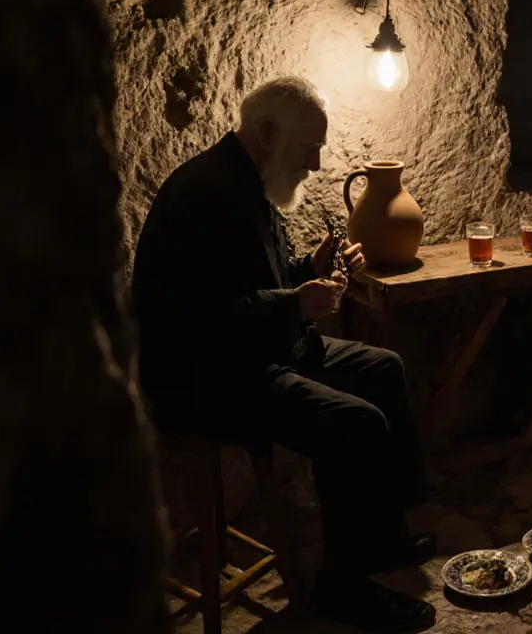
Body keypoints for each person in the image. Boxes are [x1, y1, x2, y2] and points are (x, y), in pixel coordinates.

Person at [132, 76, 435, 633]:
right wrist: (296, 303)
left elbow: (254, 284)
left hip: (253, 351)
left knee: (382, 369)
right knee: (355, 424)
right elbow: (203, 321)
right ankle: (342, 587)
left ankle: (382, 537)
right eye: (308, 148)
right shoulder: (205, 195)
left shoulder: (251, 183)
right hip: (204, 379)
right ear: (269, 134)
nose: (315, 165)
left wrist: (307, 271)